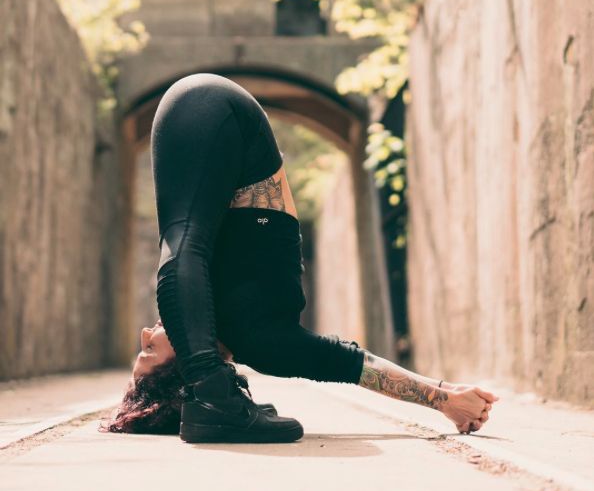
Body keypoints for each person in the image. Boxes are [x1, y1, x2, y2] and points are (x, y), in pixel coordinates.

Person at [101, 74, 498, 442]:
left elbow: (182, 255)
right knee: (184, 241)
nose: (145, 335)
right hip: (219, 120)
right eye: (150, 352)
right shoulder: (267, 345)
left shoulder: (205, 299)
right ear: (181, 372)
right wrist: (443, 398)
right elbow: (356, 364)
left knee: (184, 241)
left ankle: (214, 399)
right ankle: (214, 401)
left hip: (204, 115)